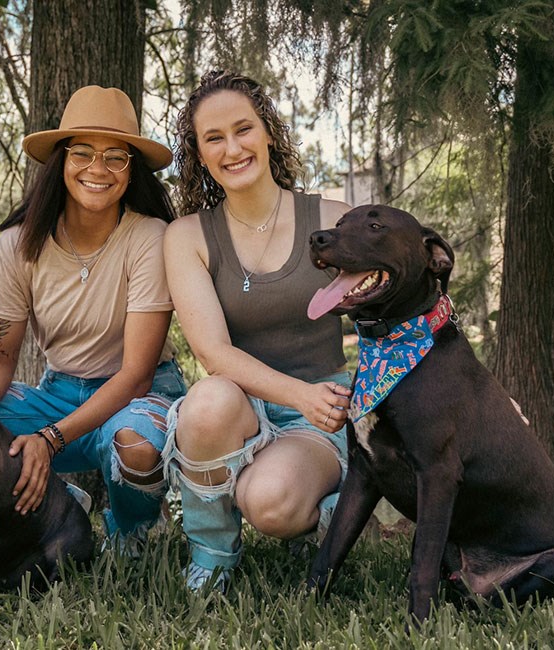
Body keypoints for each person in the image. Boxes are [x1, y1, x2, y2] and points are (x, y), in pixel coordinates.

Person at [163, 71, 354, 590]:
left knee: (269, 504)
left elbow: (409, 301)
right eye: (214, 138)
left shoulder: (334, 220)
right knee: (205, 403)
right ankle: (211, 553)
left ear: (268, 131)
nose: (233, 148)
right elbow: (212, 351)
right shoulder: (188, 237)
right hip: (237, 407)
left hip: (319, 415)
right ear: (199, 155)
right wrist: (299, 393)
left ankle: (344, 511)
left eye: (243, 129)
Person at [0, 85, 185, 554]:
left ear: (131, 170)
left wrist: (50, 440)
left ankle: (131, 533)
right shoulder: (16, 245)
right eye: (83, 152)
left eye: (115, 156)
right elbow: (0, 355)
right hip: (59, 394)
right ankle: (62, 504)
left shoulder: (151, 238)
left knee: (135, 443)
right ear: (60, 161)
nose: (97, 169)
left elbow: (136, 376)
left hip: (142, 395)